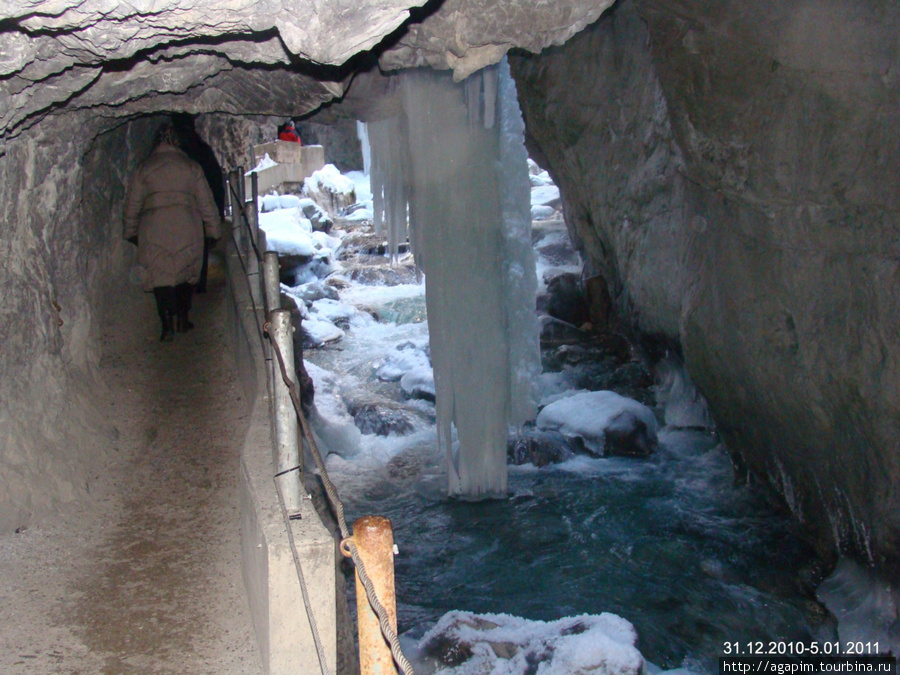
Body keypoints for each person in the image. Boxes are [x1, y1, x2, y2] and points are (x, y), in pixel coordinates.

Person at [123, 124, 221, 342]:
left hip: (154, 227)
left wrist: (130, 231)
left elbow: (133, 205)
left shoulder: (144, 168)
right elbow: (206, 202)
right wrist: (213, 230)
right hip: (187, 225)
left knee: (160, 275)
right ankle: (183, 318)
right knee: (186, 272)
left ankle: (166, 323)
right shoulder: (191, 167)